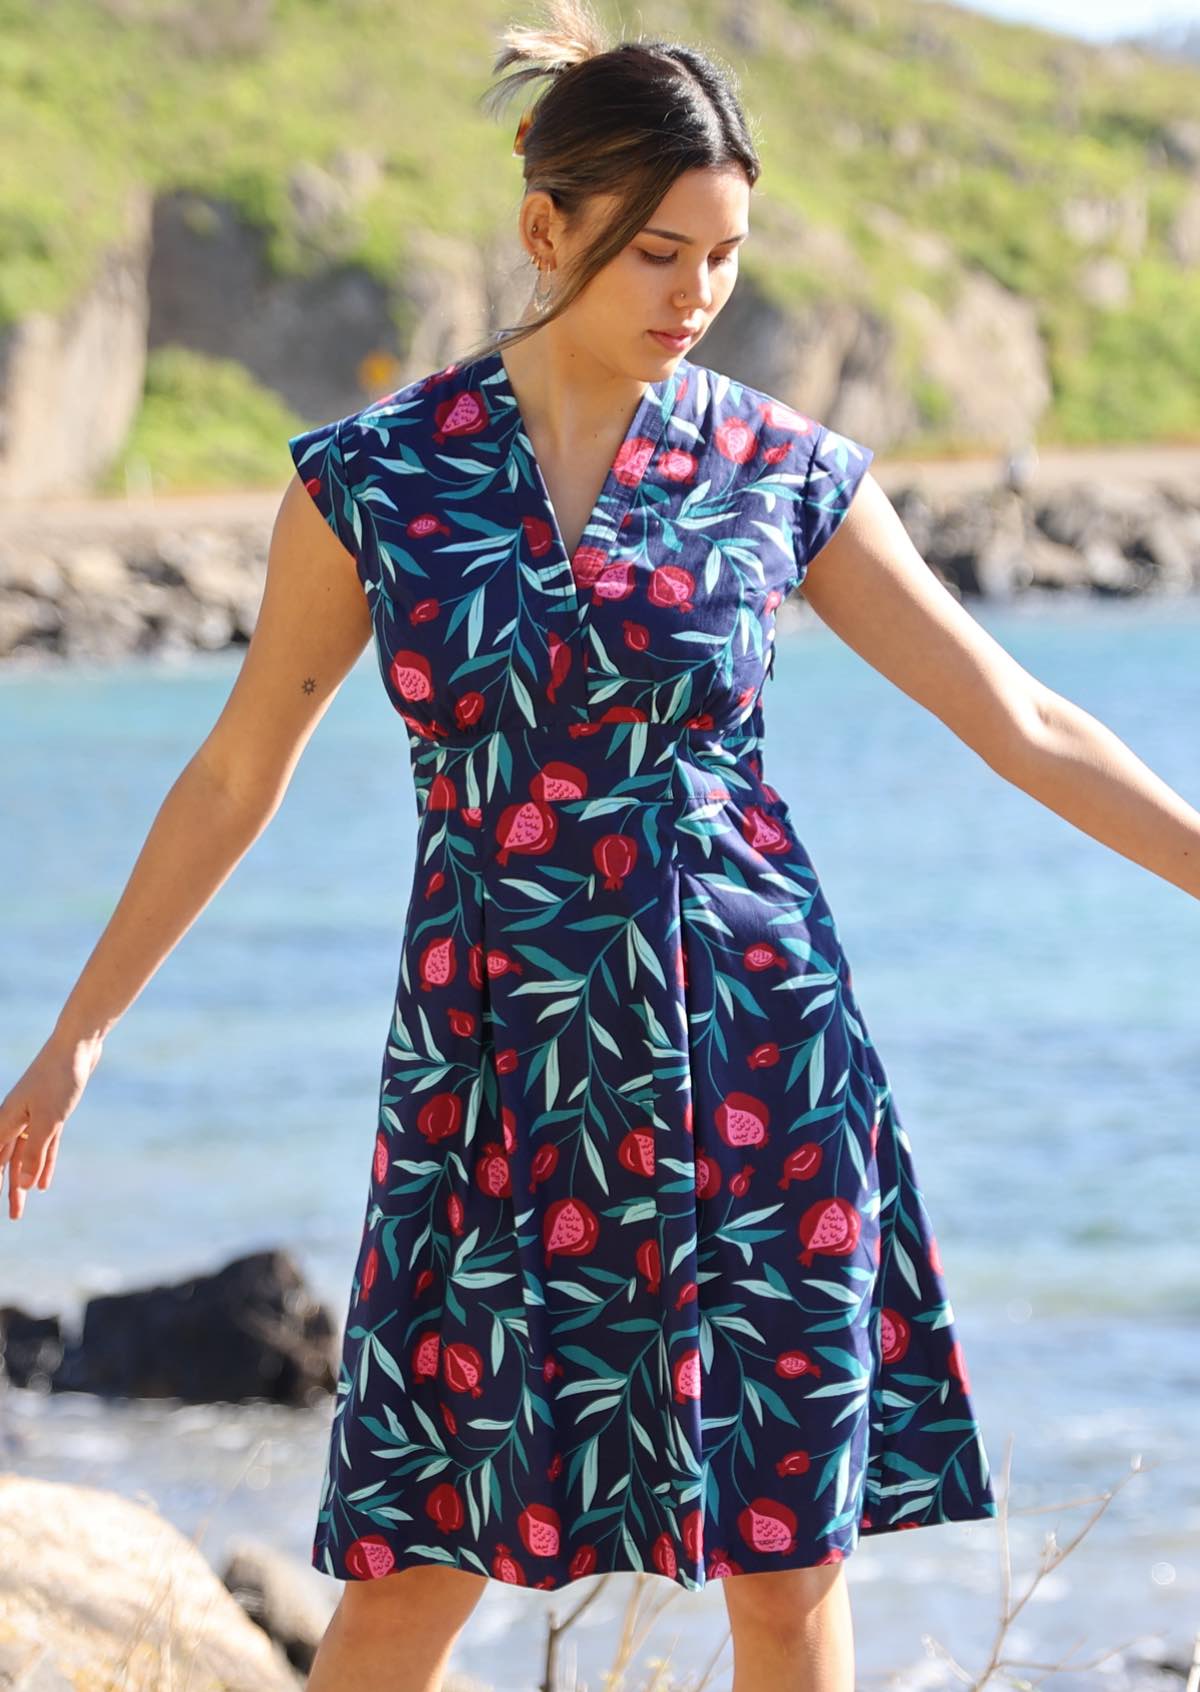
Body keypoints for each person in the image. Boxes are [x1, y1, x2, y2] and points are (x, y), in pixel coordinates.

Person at [4, 5, 1200, 1691]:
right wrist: (83, 1030)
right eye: (658, 251)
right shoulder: (380, 480)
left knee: (783, 1571)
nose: (695, 295)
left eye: (723, 256)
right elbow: (233, 772)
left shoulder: (778, 471)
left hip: (754, 1061)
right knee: (418, 1566)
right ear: (544, 228)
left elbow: (1019, 718)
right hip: (493, 1080)